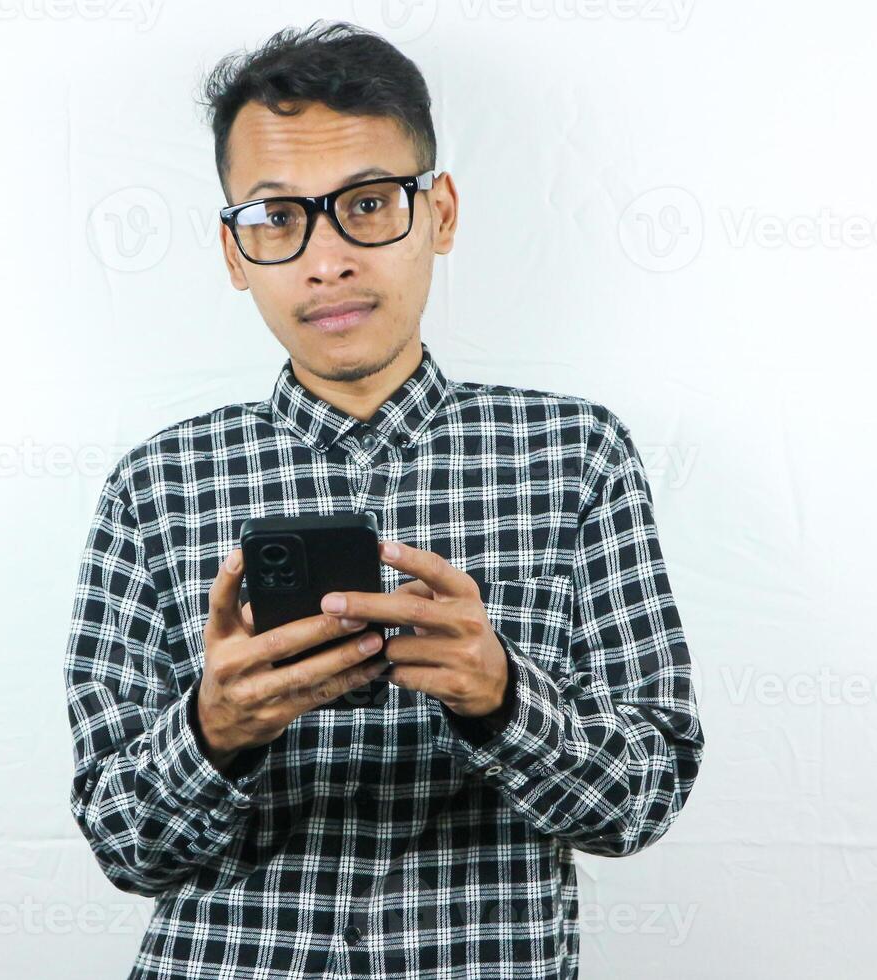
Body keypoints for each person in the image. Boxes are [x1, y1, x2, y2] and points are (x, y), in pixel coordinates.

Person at [64, 21, 704, 979]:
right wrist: (214, 731)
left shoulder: (576, 458)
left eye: (368, 203)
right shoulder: (154, 487)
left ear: (438, 213)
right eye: (277, 218)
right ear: (236, 252)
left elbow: (640, 802)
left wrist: (502, 699)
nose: (325, 260)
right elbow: (124, 848)